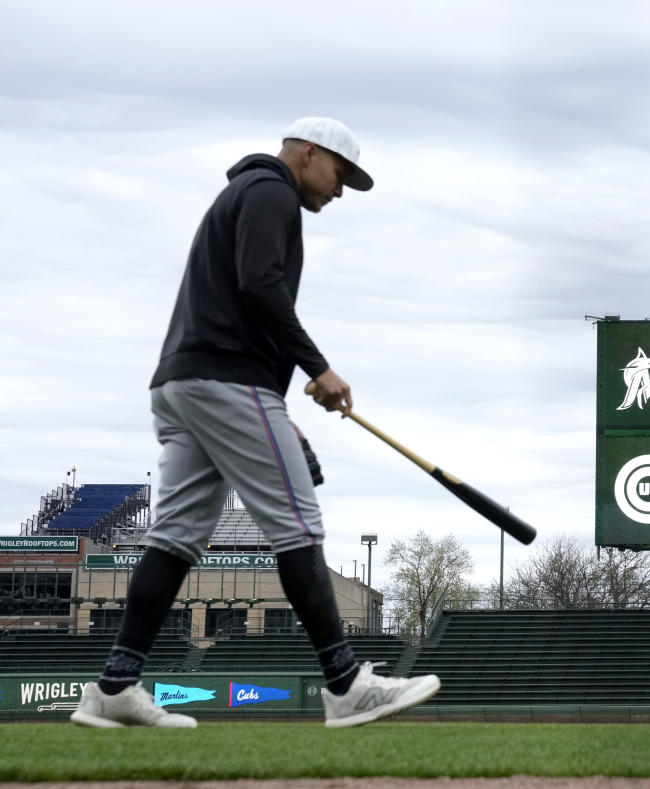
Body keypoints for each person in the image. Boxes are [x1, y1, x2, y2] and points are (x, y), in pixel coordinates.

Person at [70, 117, 439, 728]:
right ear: (309, 154)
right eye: (340, 174)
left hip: (183, 385)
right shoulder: (272, 190)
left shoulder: (241, 192)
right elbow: (260, 284)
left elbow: (242, 301)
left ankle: (114, 685)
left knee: (175, 536)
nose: (340, 190)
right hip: (226, 382)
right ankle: (345, 683)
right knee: (297, 522)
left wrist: (280, 405)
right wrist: (318, 368)